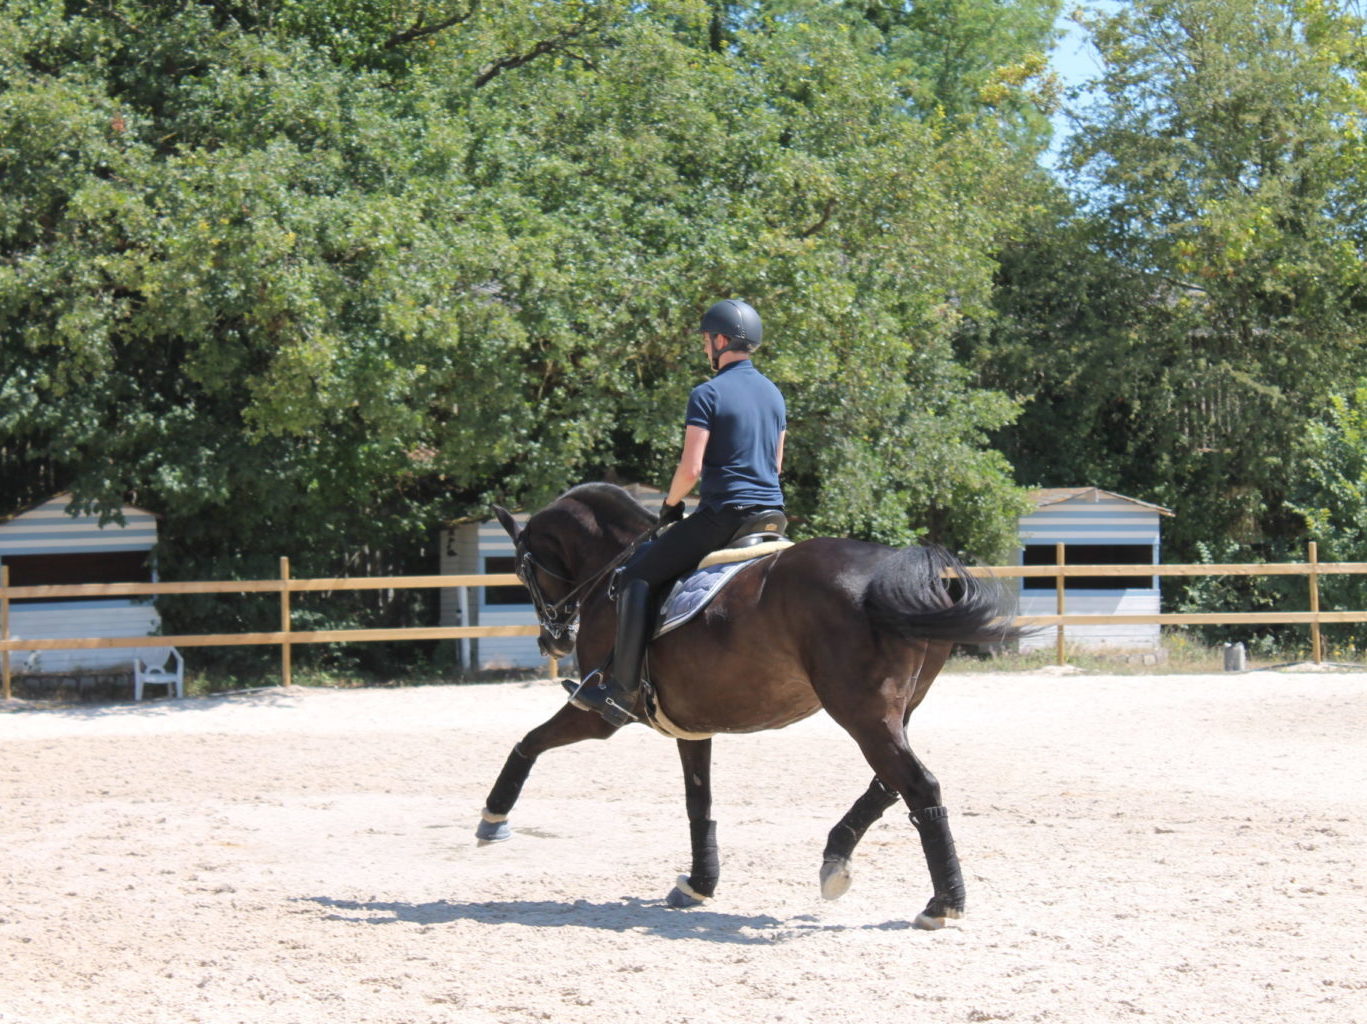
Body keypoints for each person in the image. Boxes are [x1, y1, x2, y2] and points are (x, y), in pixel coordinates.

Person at [570, 299, 787, 725]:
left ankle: (621, 691)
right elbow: (777, 466)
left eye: (707, 340)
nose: (705, 347)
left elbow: (690, 468)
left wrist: (670, 507)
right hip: (772, 515)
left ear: (721, 340)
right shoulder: (774, 394)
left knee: (637, 576)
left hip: (726, 515)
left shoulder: (707, 393)